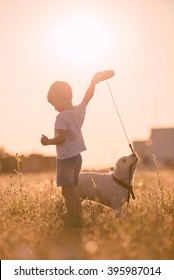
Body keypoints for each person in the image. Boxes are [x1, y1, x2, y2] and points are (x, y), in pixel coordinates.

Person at [41, 73, 102, 226]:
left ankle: (73, 215)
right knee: (73, 189)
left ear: (61, 98)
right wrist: (93, 82)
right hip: (77, 158)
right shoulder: (78, 112)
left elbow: (61, 138)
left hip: (66, 160)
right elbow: (88, 97)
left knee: (67, 191)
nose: (54, 108)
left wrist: (48, 141)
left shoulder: (61, 117)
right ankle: (76, 213)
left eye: (54, 104)